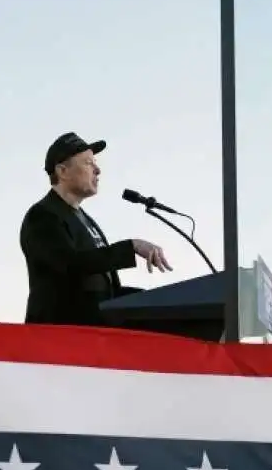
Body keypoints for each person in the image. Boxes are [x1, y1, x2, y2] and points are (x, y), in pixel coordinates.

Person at [20, 132, 171, 326]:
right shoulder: (41, 217)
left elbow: (102, 290)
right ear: (62, 171)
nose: (98, 170)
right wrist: (130, 247)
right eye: (88, 163)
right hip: (59, 342)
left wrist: (153, 301)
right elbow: (70, 265)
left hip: (94, 339)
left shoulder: (85, 220)